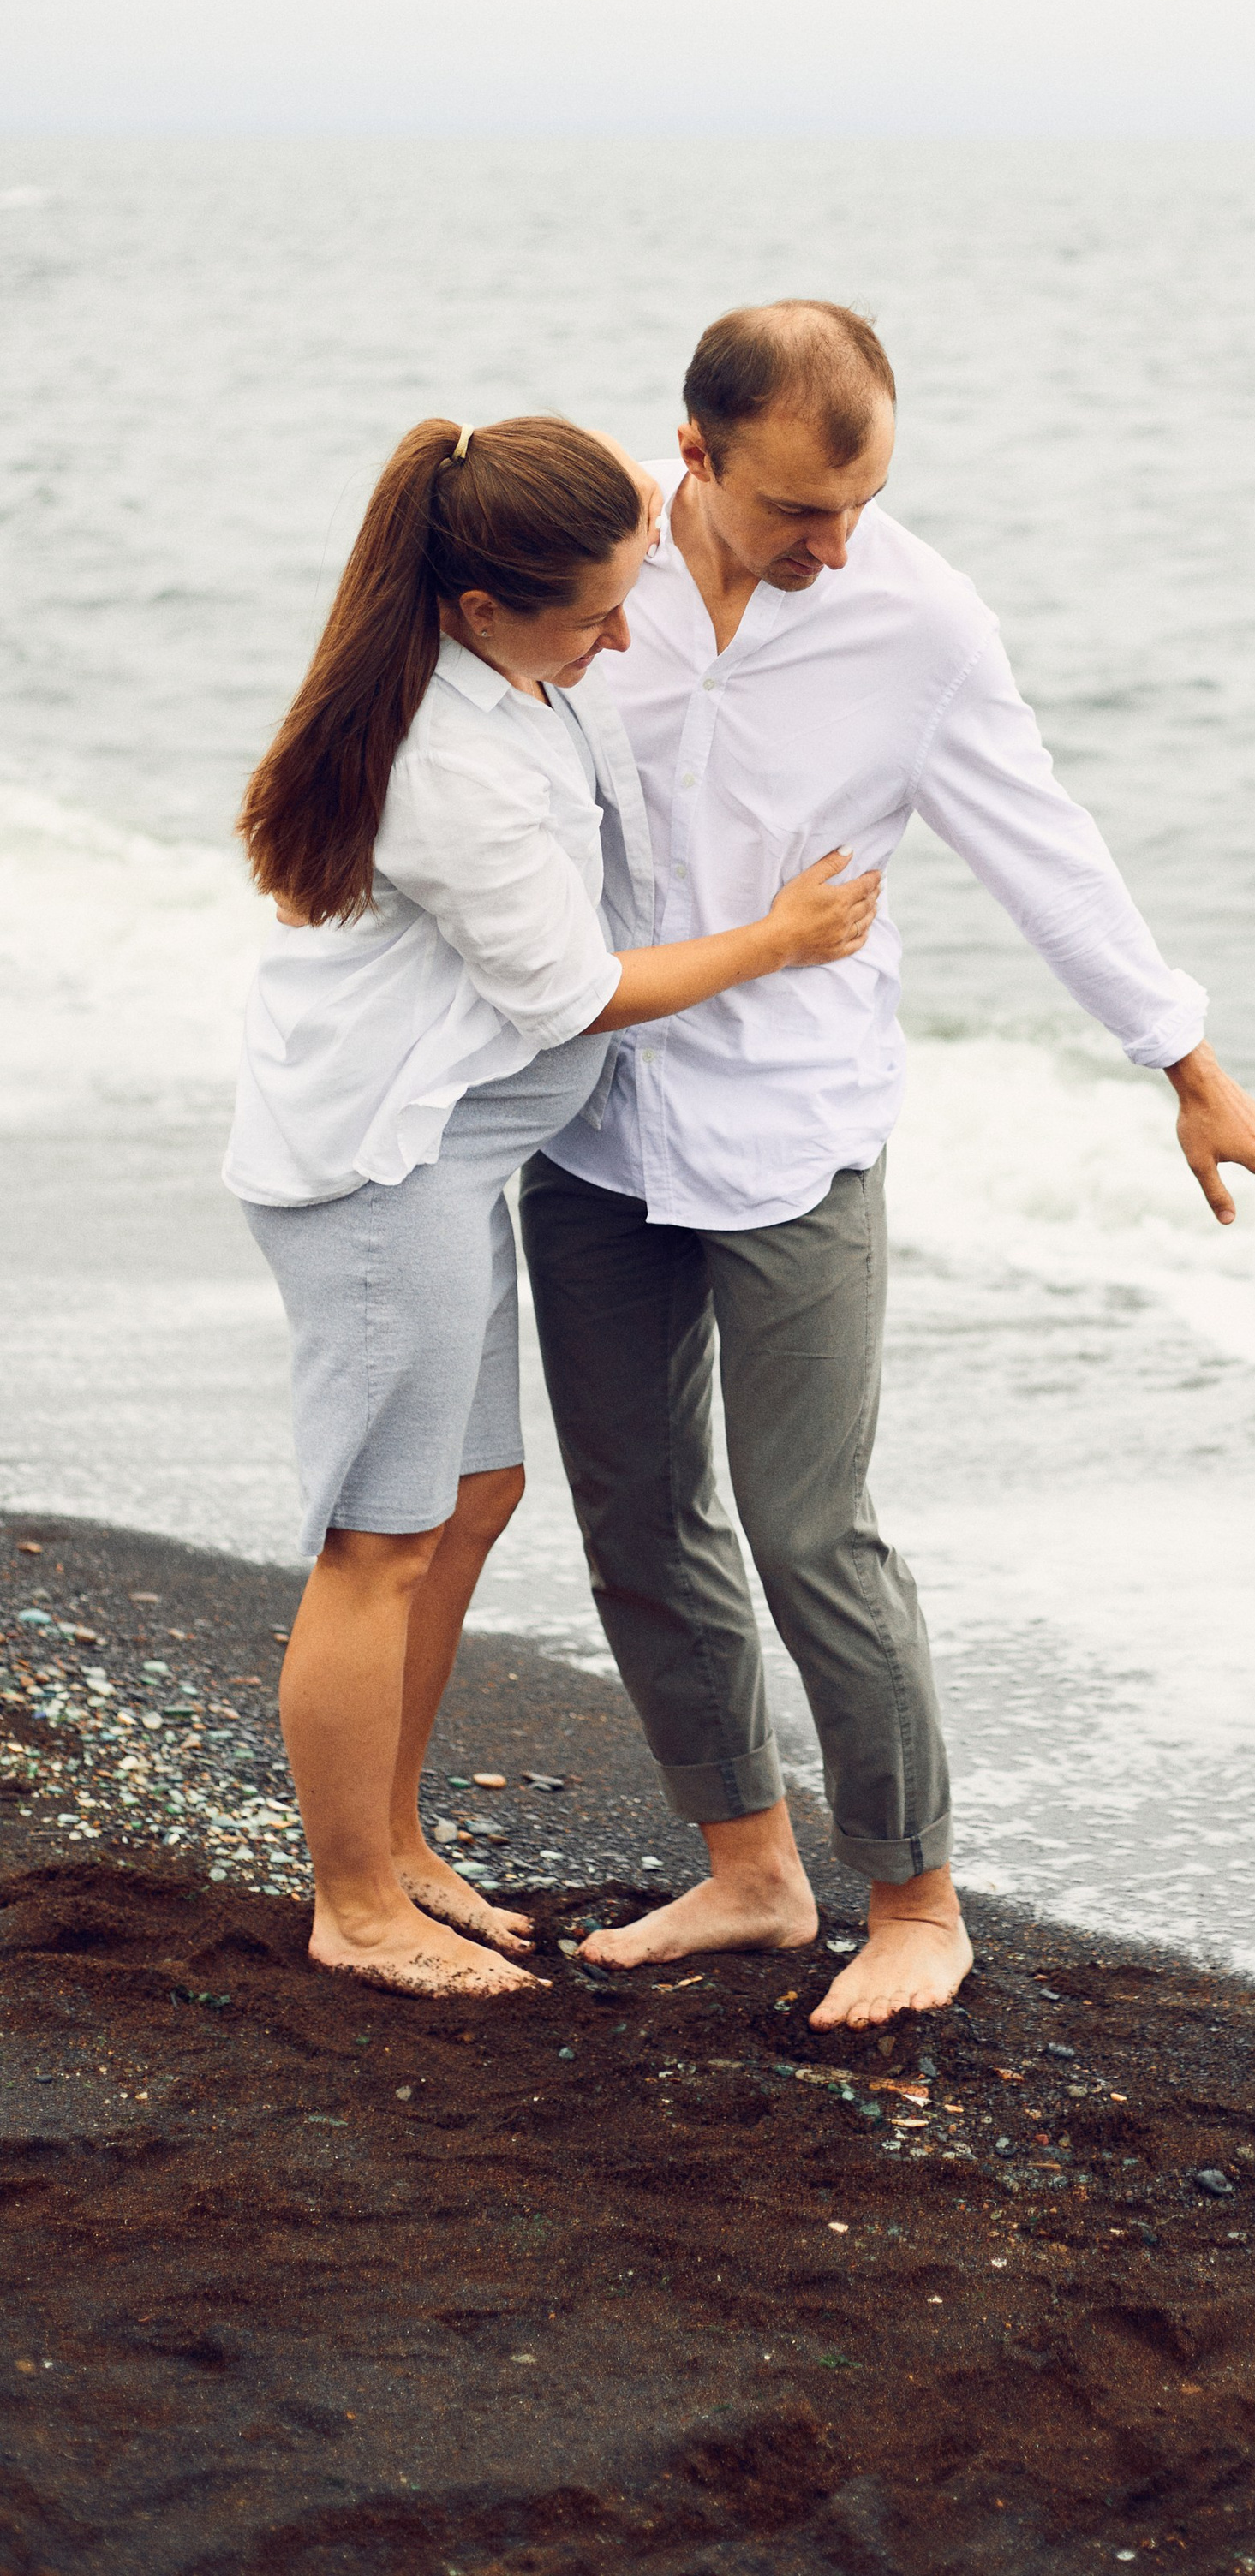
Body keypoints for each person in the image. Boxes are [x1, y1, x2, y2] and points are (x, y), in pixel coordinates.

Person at [518, 299, 1255, 2030]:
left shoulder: (920, 621)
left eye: (862, 502)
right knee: (637, 1514)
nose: (835, 543)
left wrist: (1185, 1066)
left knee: (811, 1528)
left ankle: (915, 1901)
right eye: (798, 509)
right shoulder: (597, 561)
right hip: (590, 1113)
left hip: (795, 1124)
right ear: (694, 452)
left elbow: (1043, 846)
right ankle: (749, 1870)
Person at [227, 413, 879, 1998]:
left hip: (452, 1166)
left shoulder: (511, 617)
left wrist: (719, 489)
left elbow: (653, 477)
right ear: (479, 609)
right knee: (377, 1538)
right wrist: (779, 942)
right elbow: (577, 993)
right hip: (384, 1170)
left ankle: (394, 1842)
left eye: (627, 591)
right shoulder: (447, 767)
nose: (623, 635)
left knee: (471, 1498)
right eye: (593, 616)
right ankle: (350, 1902)